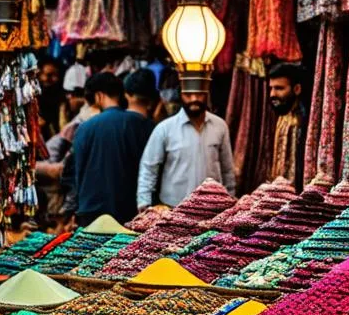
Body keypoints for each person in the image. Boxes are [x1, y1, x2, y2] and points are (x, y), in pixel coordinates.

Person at [71, 71, 157, 227]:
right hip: (129, 213)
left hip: (91, 214)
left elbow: (75, 172)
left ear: (98, 96)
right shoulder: (141, 124)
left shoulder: (84, 128)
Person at [136, 88, 236, 210]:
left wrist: (230, 201)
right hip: (173, 208)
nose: (194, 99)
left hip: (212, 209)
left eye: (199, 93)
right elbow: (149, 167)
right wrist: (144, 203)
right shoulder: (165, 129)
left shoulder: (220, 126)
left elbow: (227, 170)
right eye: (188, 94)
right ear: (181, 95)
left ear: (207, 93)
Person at [36, 73, 103, 228]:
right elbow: (64, 168)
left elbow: (67, 168)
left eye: (77, 94)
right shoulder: (80, 121)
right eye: (72, 94)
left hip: (57, 187)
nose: (72, 98)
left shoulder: (84, 122)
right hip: (54, 186)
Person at [268, 62, 306, 188]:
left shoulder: (304, 121)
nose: (272, 94)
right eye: (271, 88)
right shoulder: (282, 117)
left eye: (279, 88)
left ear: (297, 89)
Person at [36, 56, 65, 140]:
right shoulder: (32, 98)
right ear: (39, 75)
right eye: (49, 75)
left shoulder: (59, 97)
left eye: (56, 75)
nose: (54, 79)